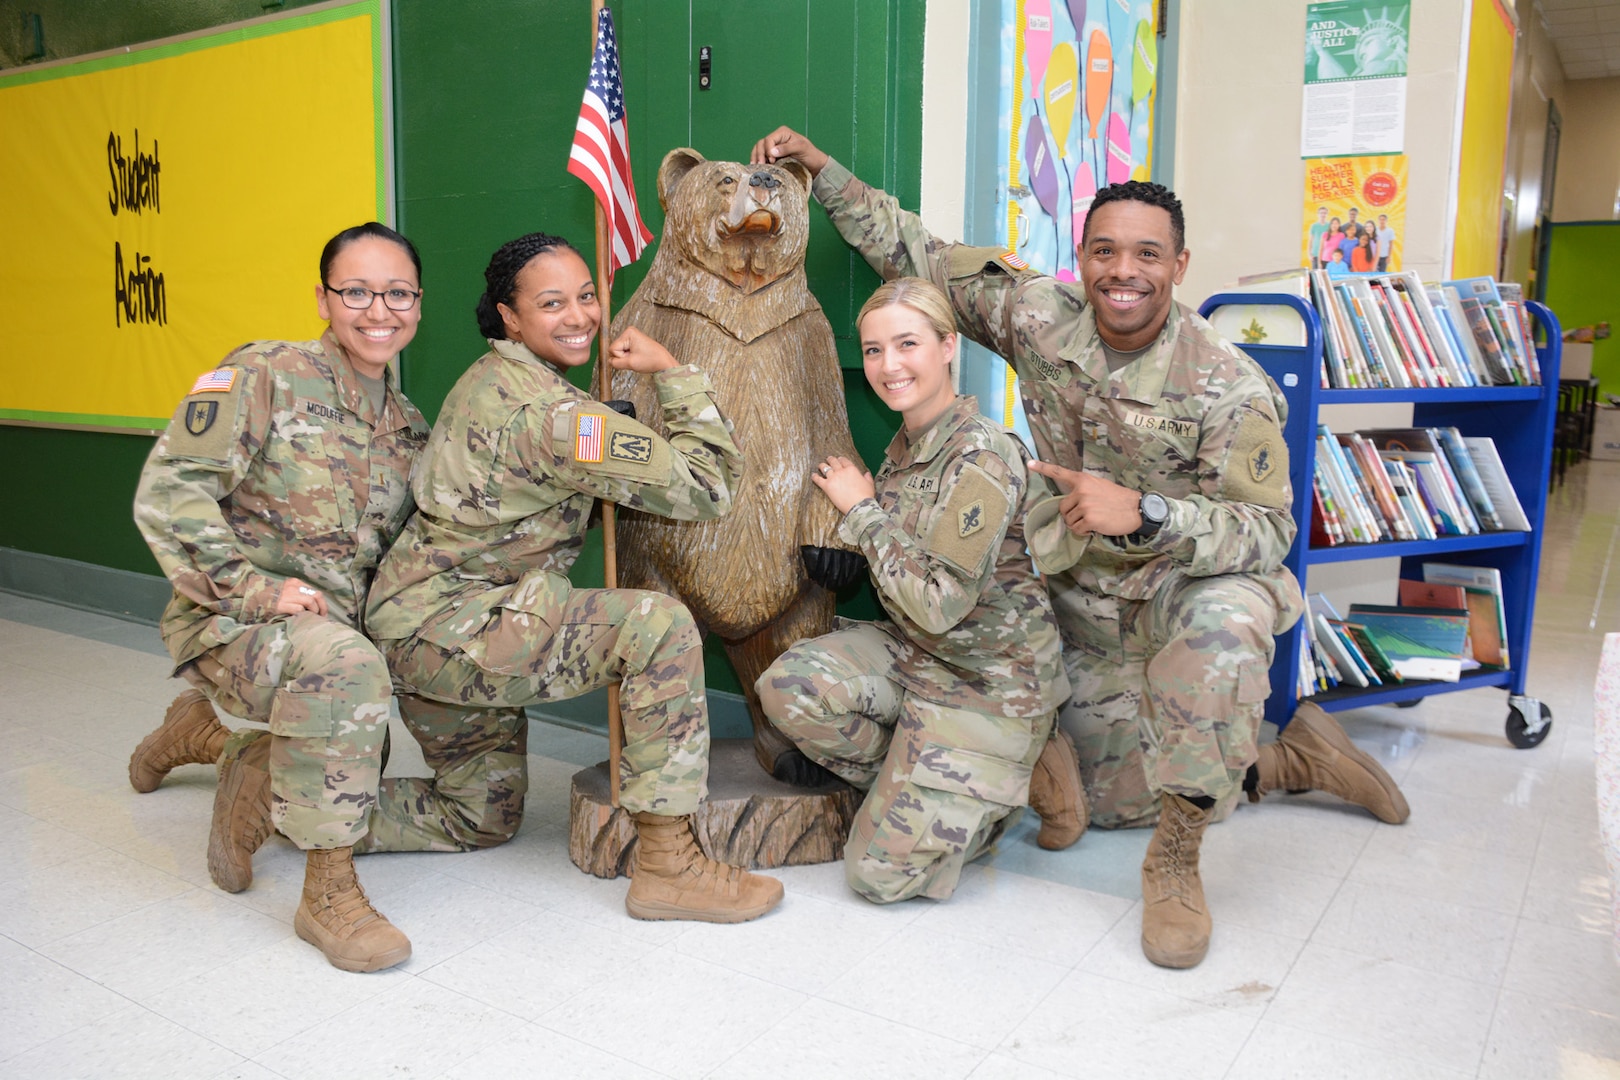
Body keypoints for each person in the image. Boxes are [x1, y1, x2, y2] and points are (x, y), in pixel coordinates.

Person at [751, 126, 1409, 969]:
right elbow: (917, 248)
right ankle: (1280, 758)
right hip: (1076, 594)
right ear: (1082, 257)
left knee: (1220, 647)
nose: (1122, 271)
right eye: (1104, 251)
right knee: (1091, 797)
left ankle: (1183, 856)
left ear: (1179, 265)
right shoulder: (1039, 316)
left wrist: (1150, 512)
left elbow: (1268, 531)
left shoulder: (1229, 383)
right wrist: (823, 170)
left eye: (1146, 254)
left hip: (1183, 582)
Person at [363, 231, 782, 924]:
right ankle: (668, 865)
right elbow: (708, 488)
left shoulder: (492, 378)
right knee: (656, 627)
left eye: (587, 296)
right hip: (454, 635)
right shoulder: (559, 418)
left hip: (422, 622)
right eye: (551, 303)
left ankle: (287, 794)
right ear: (510, 316)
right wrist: (671, 371)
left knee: (482, 816)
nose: (581, 315)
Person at [129, 222, 432, 973]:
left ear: (418, 305)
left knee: (357, 737)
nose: (378, 310)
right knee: (343, 689)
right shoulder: (266, 373)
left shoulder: (410, 430)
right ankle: (327, 896)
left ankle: (204, 738)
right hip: (232, 623)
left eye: (397, 292)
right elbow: (169, 492)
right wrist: (253, 589)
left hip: (333, 647)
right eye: (355, 291)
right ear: (324, 299)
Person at [756, 277, 1082, 904]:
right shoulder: (908, 445)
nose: (888, 365)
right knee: (788, 688)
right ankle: (925, 769)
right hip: (917, 657)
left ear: (948, 346)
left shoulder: (980, 456)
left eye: (907, 344)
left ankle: (1016, 774)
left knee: (879, 877)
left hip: (986, 682)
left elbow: (938, 603)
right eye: (874, 350)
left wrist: (863, 512)